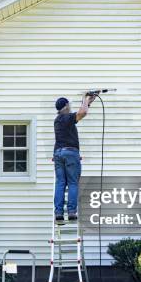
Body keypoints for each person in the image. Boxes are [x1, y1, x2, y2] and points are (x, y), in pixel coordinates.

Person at [53, 94, 95, 223]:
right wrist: (86, 100)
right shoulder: (67, 117)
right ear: (66, 107)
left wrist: (87, 102)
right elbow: (82, 113)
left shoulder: (58, 119)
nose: (70, 107)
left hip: (58, 154)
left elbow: (81, 111)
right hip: (70, 154)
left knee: (60, 183)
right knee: (72, 182)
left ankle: (59, 213)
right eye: (69, 105)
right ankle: (71, 212)